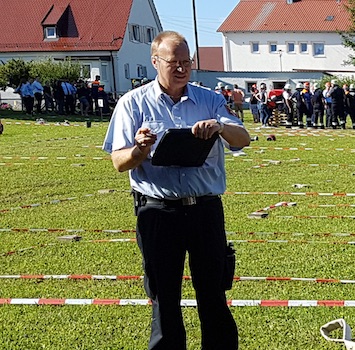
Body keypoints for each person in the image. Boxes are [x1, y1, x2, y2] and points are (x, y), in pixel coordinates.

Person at [102, 31, 250, 349]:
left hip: (204, 211)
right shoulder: (132, 103)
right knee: (164, 297)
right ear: (155, 61)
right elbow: (118, 161)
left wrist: (220, 126)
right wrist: (139, 150)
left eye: (187, 62)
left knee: (212, 294)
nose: (182, 68)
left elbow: (243, 138)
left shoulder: (210, 100)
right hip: (157, 211)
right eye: (174, 62)